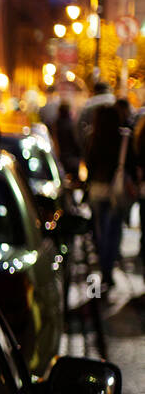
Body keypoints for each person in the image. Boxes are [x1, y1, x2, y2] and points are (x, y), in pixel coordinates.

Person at [84, 102, 137, 288]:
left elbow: (89, 164)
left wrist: (86, 187)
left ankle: (104, 266)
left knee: (100, 230)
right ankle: (107, 269)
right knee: (113, 231)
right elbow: (130, 164)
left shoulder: (94, 136)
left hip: (97, 189)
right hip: (116, 190)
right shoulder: (123, 138)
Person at [54, 101, 81, 179]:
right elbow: (76, 141)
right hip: (73, 158)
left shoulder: (57, 124)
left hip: (61, 157)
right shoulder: (72, 125)